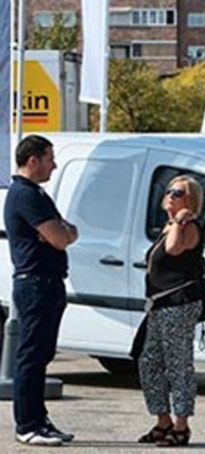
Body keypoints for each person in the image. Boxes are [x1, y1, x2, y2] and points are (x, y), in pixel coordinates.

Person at [4, 135, 79, 446]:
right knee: (32, 356)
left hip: (47, 282)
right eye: (50, 158)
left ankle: (40, 419)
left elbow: (65, 231)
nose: (55, 165)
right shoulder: (25, 195)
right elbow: (61, 236)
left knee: (42, 354)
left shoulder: (36, 194)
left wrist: (63, 231)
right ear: (32, 160)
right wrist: (62, 232)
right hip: (35, 282)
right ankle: (28, 424)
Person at [137, 175, 204, 447]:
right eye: (169, 191)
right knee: (148, 362)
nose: (171, 196)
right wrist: (172, 221)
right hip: (159, 304)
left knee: (178, 364)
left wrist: (180, 219)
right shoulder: (168, 225)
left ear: (190, 200)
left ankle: (181, 425)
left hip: (179, 304)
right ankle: (162, 420)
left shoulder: (188, 226)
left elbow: (175, 249)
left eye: (178, 193)